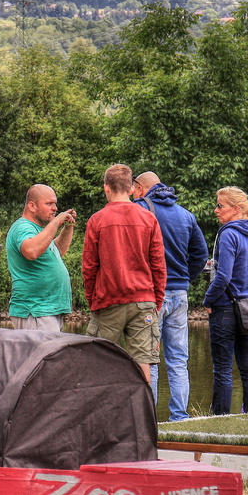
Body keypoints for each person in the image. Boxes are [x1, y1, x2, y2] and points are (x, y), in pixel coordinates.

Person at [132, 171, 208, 421]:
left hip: (152, 295)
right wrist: (186, 277)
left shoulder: (139, 210)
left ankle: (149, 418)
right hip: (179, 294)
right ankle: (179, 417)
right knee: (178, 360)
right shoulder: (185, 214)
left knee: (149, 358)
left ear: (140, 188)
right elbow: (200, 254)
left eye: (134, 190)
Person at [81, 164, 166, 382]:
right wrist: (156, 302)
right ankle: (145, 415)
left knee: (98, 361)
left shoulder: (97, 220)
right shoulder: (148, 219)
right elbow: (158, 266)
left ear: (106, 188)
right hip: (143, 299)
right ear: (131, 189)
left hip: (108, 301)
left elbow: (89, 266)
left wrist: (93, 301)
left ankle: (103, 414)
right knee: (142, 362)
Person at [202, 187, 248, 415]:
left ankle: (220, 418)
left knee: (223, 369)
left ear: (236, 209)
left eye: (220, 206)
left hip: (225, 309)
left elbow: (223, 276)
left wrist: (207, 300)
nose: (216, 210)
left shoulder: (228, 233)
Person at [5, 184, 77, 332]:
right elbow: (31, 251)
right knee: (43, 355)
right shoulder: (22, 227)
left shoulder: (38, 230)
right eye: (49, 203)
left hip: (46, 311)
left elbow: (57, 251)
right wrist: (56, 222)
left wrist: (67, 228)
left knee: (50, 355)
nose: (55, 208)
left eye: (55, 204)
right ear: (32, 206)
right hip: (35, 310)